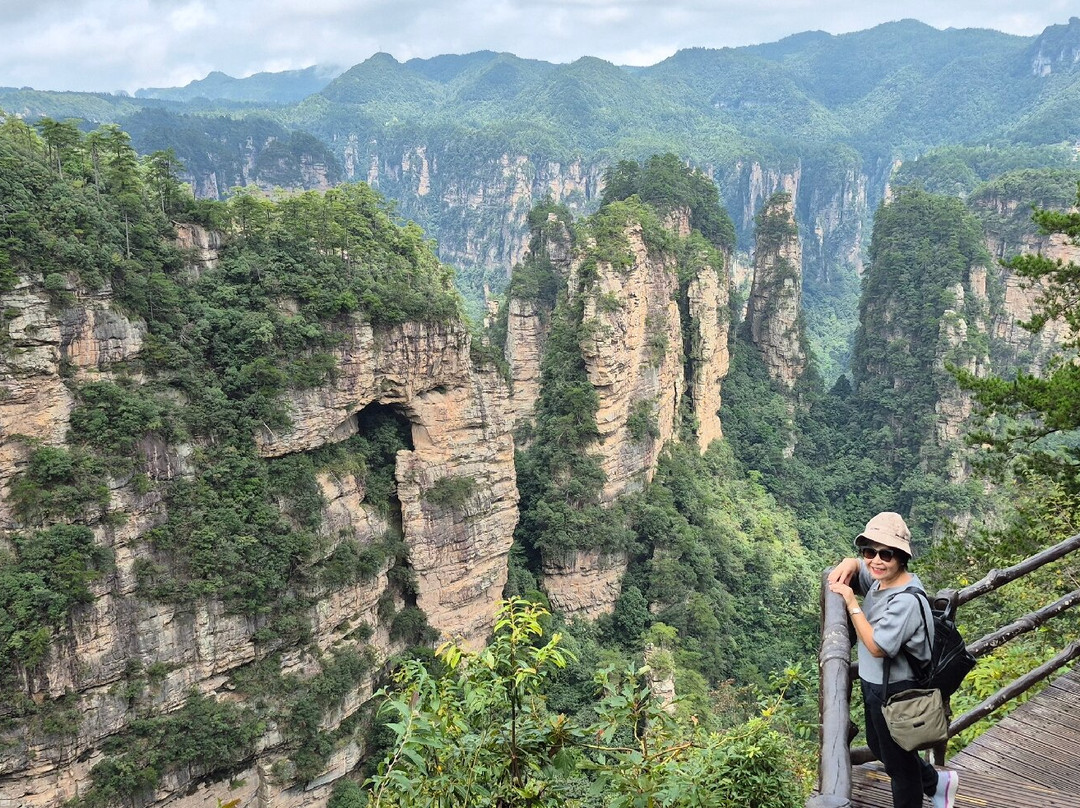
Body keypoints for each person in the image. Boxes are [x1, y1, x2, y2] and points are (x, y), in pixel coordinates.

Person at [827, 511, 959, 808]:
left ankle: (928, 787)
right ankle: (937, 782)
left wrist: (850, 602)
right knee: (880, 745)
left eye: (886, 553)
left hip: (896, 690)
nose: (876, 560)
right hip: (876, 685)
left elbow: (876, 647)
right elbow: (865, 570)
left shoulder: (906, 600)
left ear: (901, 557)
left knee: (900, 771)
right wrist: (851, 563)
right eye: (869, 551)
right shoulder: (881, 579)